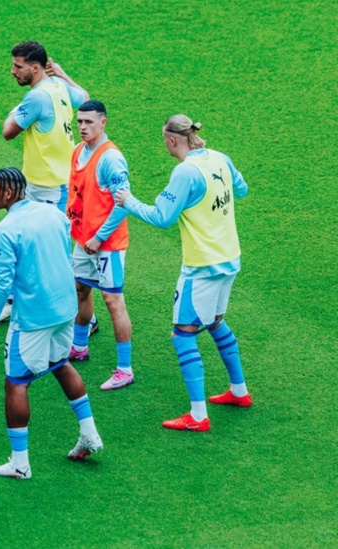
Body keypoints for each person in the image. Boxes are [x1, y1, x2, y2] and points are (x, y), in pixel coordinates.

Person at [115, 115, 251, 431]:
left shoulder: (185, 172)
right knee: (215, 321)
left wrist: (128, 201)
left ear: (173, 140)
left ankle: (198, 416)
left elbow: (162, 217)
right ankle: (239, 392)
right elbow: (241, 190)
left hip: (202, 266)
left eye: (164, 140)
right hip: (229, 257)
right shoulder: (220, 158)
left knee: (183, 334)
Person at [0, 168, 103, 479]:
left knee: (16, 383)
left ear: (9, 193)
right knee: (60, 363)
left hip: (32, 318)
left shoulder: (5, 229)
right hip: (65, 308)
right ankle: (89, 433)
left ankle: (20, 464)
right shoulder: (53, 214)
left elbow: (1, 283)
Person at [0, 41, 89, 324]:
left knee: (56, 253)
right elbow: (83, 97)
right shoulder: (58, 87)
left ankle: (85, 314)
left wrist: (16, 108)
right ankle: (14, 300)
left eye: (18, 66)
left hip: (52, 188)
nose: (12, 71)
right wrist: (61, 74)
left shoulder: (36, 99)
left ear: (35, 68)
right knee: (24, 240)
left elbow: (7, 131)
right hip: (41, 184)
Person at [64, 100, 134, 390]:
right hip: (83, 239)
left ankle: (125, 369)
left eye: (89, 122)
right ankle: (79, 347)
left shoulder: (111, 159)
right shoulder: (79, 151)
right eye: (79, 121)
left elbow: (123, 204)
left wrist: (99, 237)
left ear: (103, 123)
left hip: (107, 244)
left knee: (113, 301)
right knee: (80, 289)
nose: (82, 127)